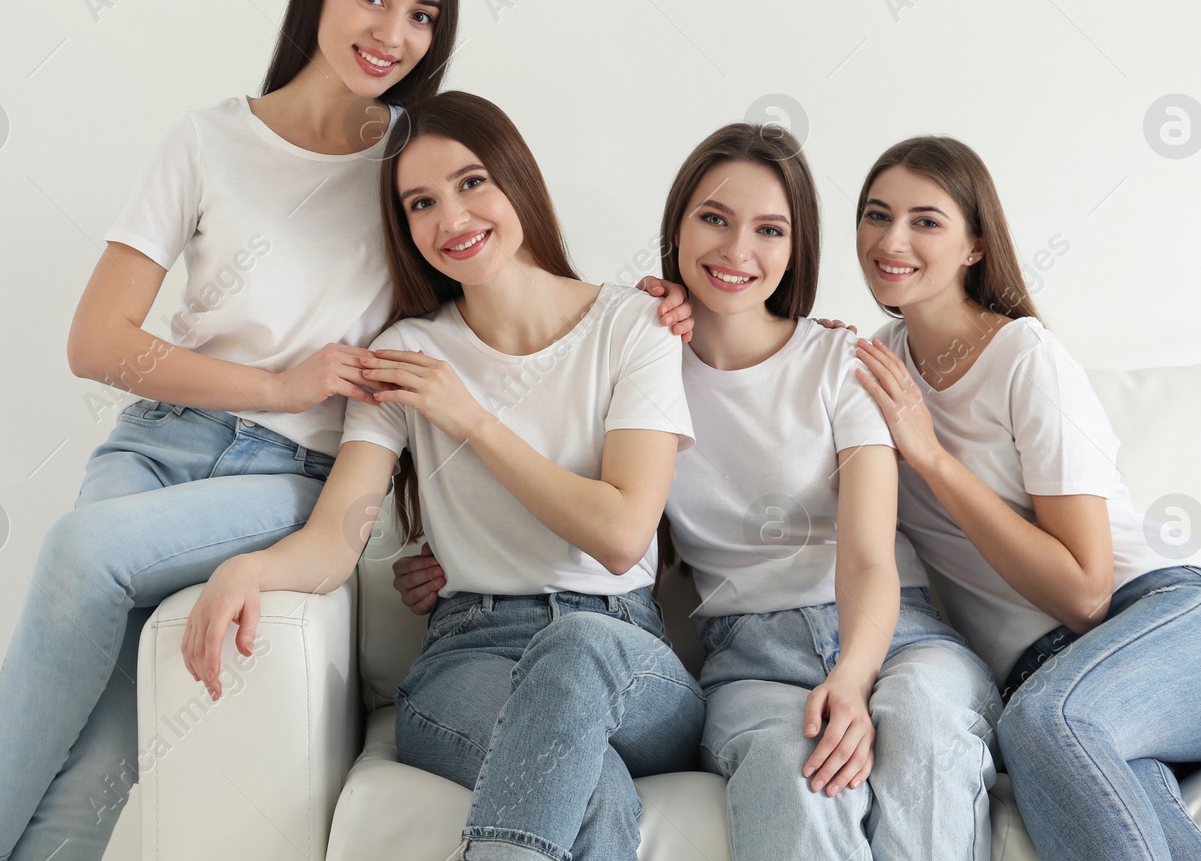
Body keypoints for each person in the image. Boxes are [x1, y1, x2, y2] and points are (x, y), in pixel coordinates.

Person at [395, 123, 1001, 860]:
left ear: (796, 244)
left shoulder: (843, 361)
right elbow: (586, 499)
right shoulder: (638, 353)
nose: (737, 251)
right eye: (713, 218)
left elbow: (870, 557)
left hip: (892, 634)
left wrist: (852, 674)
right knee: (792, 771)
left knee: (923, 721)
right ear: (677, 226)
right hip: (751, 660)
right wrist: (443, 554)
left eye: (768, 229)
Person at [183, 91, 704, 861]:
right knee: (588, 791)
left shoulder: (636, 326)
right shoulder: (407, 353)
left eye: (471, 183)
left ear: (516, 179)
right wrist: (248, 566)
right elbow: (334, 539)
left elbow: (623, 534)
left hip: (626, 653)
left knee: (581, 647)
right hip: (471, 650)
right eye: (421, 202)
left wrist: (472, 419)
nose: (451, 219)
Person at [849, 135, 1201, 861]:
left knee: (1042, 722)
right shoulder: (873, 367)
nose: (892, 239)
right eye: (876, 214)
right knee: (1127, 796)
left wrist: (931, 456)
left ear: (975, 245)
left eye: (926, 220)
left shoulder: (1025, 357)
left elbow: (1084, 592)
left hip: (1176, 627)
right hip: (1067, 685)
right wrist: (670, 311)